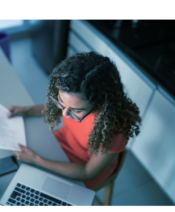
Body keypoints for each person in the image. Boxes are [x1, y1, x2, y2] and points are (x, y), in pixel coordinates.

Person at [8, 51, 142, 190]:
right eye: (61, 102)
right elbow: (66, 107)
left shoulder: (114, 127)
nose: (64, 114)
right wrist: (26, 110)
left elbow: (88, 172)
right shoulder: (74, 103)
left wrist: (36, 160)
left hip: (82, 169)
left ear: (100, 104)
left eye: (76, 110)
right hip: (61, 143)